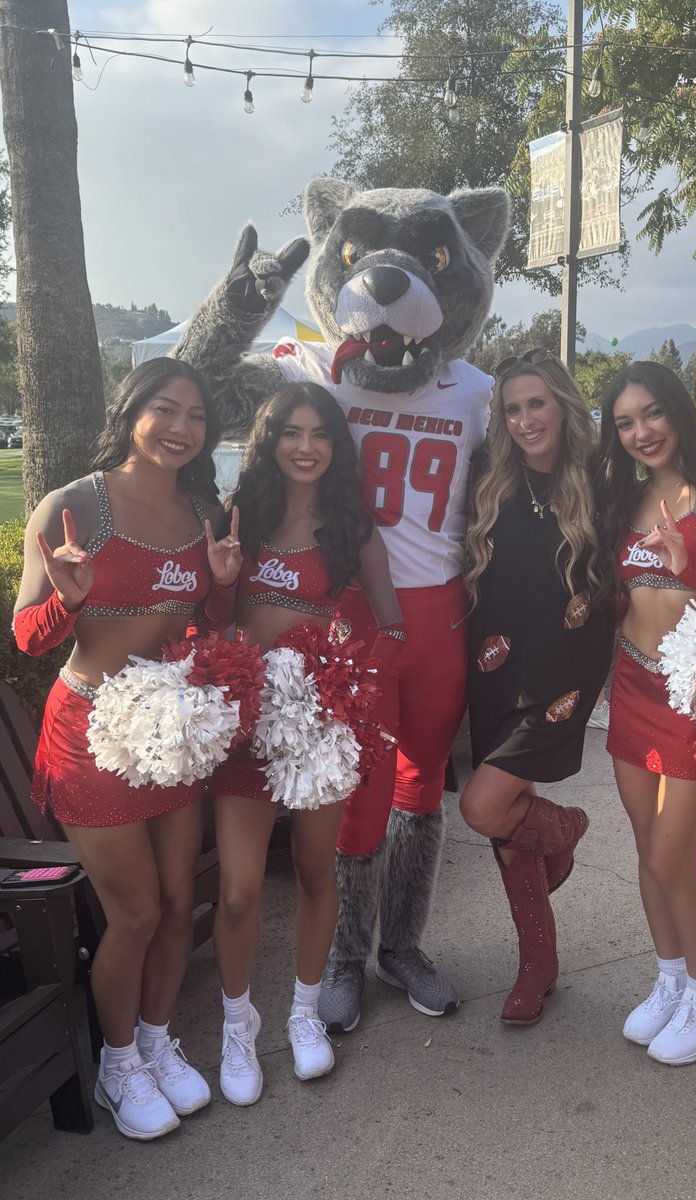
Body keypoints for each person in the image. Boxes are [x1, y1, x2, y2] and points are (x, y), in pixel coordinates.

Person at [14, 358, 240, 1141]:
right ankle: (117, 1065)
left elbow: (203, 623)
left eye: (196, 417)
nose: (181, 429)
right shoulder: (76, 504)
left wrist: (216, 589)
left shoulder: (204, 510)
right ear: (133, 411)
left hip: (169, 732)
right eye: (165, 410)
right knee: (136, 912)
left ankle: (153, 1038)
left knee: (180, 905)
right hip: (91, 736)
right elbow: (25, 635)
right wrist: (65, 602)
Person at [208, 381, 403, 1104]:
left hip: (317, 724)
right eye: (291, 432)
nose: (305, 446)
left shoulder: (351, 529)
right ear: (270, 440)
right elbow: (213, 614)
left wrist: (349, 681)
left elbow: (390, 623)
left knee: (319, 871)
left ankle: (303, 1013)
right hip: (244, 723)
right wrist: (225, 587)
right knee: (238, 891)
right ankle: (237, 1028)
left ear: (335, 447)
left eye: (319, 433)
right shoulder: (241, 518)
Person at [596, 361, 696, 1065]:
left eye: (652, 414)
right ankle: (671, 978)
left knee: (672, 856)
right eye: (625, 422)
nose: (640, 432)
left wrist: (690, 567)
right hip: (634, 684)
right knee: (645, 848)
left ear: (679, 411)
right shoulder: (620, 495)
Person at [460, 351, 614, 1025]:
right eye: (512, 408)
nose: (524, 420)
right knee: (504, 830)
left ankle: (564, 826)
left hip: (563, 674)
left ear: (563, 407)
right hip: (492, 668)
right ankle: (537, 967)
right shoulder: (488, 481)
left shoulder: (603, 483)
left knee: (483, 805)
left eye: (536, 404)